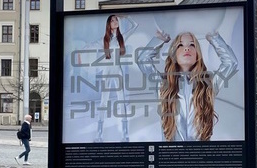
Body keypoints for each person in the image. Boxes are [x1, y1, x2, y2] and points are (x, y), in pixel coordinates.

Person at [141, 29, 238, 141]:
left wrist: (214, 38)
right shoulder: (163, 85)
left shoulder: (207, 85)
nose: (187, 48)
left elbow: (231, 63)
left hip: (200, 151)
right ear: (174, 54)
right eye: (180, 45)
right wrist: (159, 40)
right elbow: (143, 60)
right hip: (171, 152)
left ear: (197, 54)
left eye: (192, 45)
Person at [95, 14, 138, 142]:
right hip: (107, 71)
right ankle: (99, 134)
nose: (115, 21)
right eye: (112, 20)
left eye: (116, 20)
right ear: (108, 24)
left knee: (122, 100)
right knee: (103, 101)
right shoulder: (104, 39)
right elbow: (92, 46)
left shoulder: (121, 37)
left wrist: (126, 17)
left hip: (117, 70)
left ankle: (125, 134)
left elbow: (135, 25)